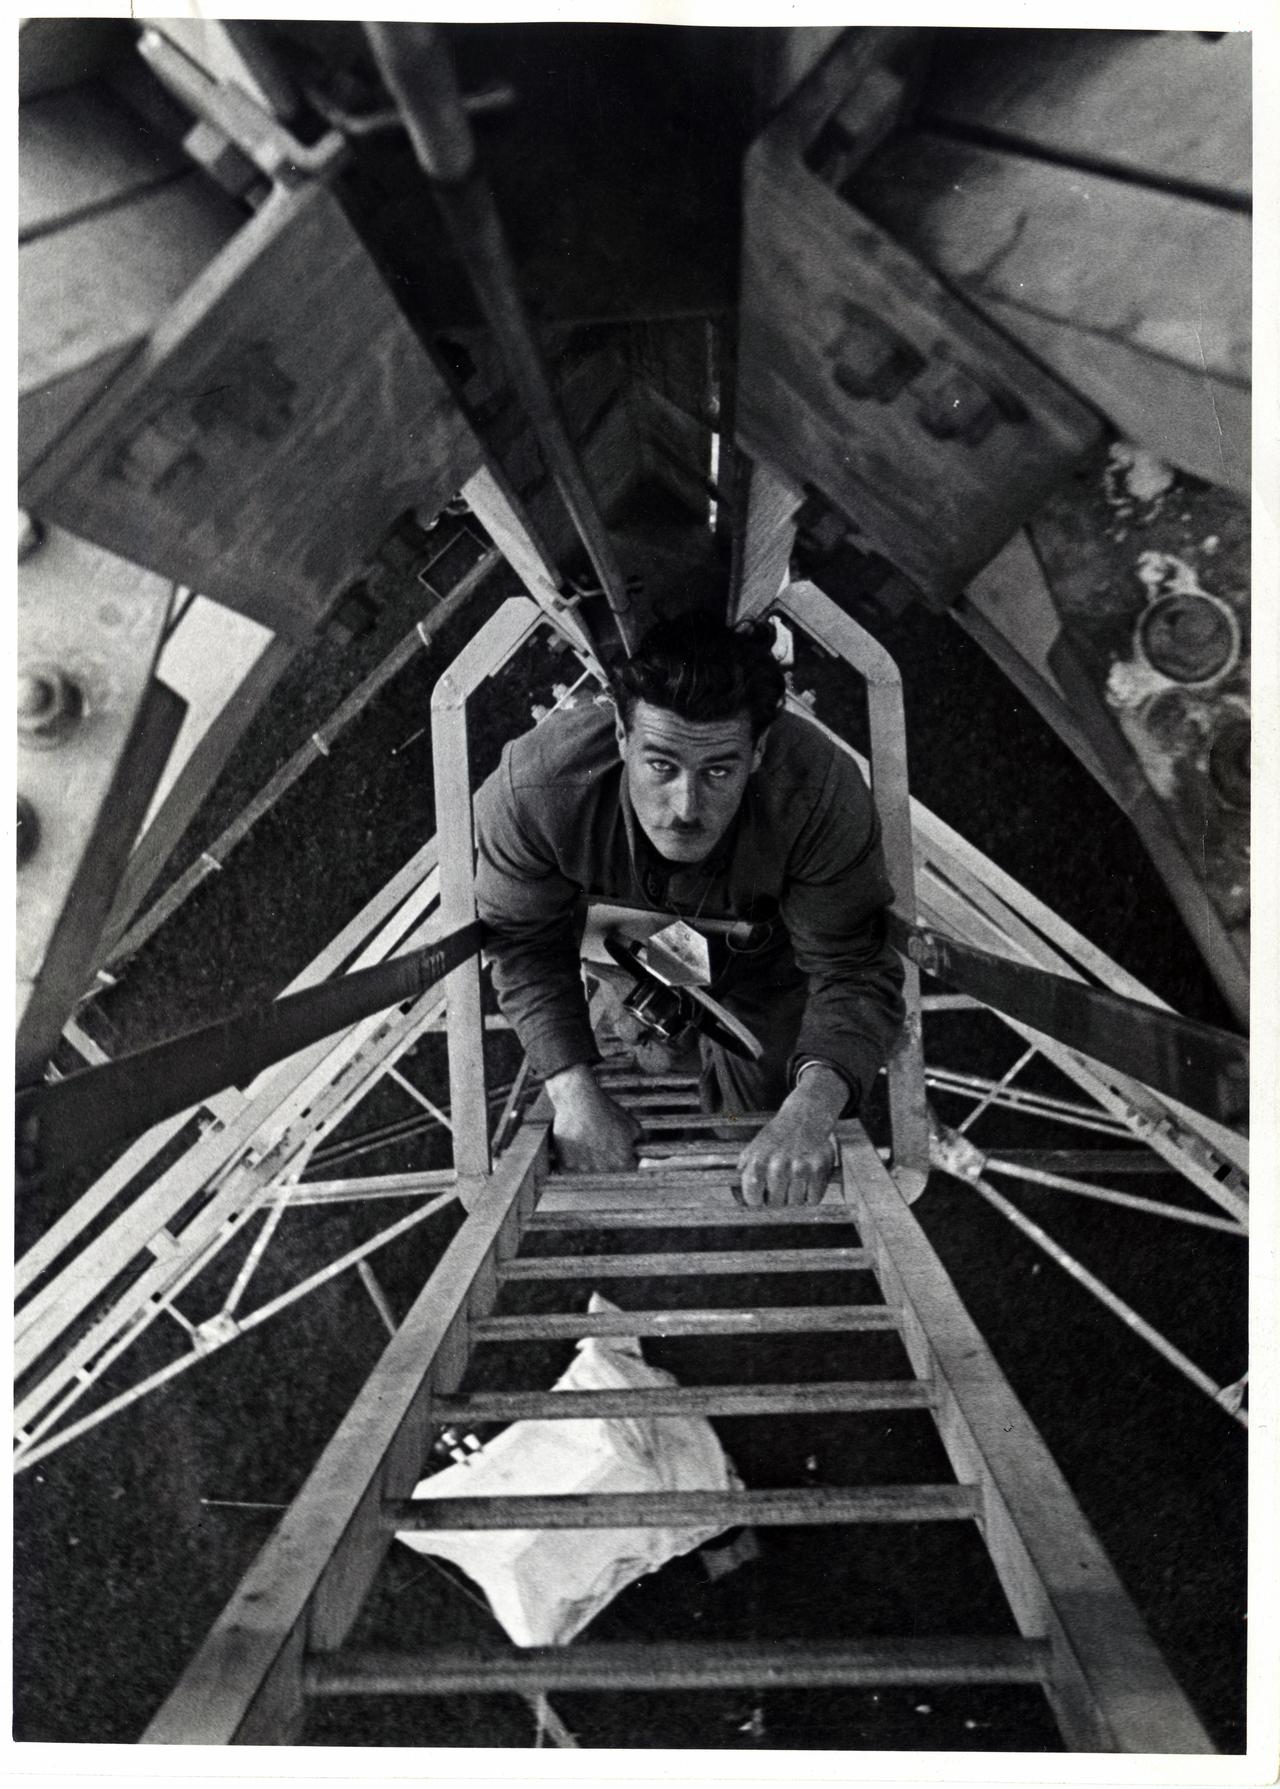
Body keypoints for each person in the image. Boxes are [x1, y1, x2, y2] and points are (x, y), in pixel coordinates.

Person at [474, 610, 904, 1205]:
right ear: (623, 738)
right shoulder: (534, 791)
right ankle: (654, 1028)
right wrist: (572, 1090)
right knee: (654, 1047)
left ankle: (697, 1046)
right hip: (630, 951)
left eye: (719, 770)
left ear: (757, 752)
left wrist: (810, 1110)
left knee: (746, 1123)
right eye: (661, 766)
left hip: (767, 964)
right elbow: (522, 941)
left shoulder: (817, 791)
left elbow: (852, 964)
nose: (685, 807)